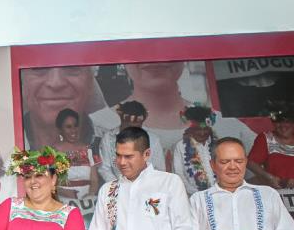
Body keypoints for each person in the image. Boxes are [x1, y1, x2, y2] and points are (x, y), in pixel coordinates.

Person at [91, 63, 256, 161]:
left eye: (163, 49)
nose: (154, 60)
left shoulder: (229, 127)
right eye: (141, 49)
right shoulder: (98, 125)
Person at [21, 66, 106, 152]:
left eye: (71, 67)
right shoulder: (10, 140)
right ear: (23, 81)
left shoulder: (108, 141)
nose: (56, 83)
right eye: (38, 68)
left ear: (90, 80)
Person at [95, 101, 166, 182]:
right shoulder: (108, 138)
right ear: (122, 118)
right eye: (128, 125)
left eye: (137, 126)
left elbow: (160, 170)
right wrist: (119, 187)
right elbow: (104, 168)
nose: (132, 128)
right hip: (118, 188)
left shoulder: (153, 140)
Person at [248, 102, 294, 189]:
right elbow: (250, 162)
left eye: (287, 121)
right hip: (274, 193)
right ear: (273, 122)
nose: (283, 126)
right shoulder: (266, 138)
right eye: (278, 121)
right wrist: (269, 177)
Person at [53, 109, 101, 199]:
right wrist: (64, 192)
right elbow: (48, 182)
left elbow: (95, 180)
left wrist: (90, 195)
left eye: (75, 126)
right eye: (68, 127)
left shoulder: (89, 149)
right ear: (60, 130)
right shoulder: (52, 152)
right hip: (62, 200)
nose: (73, 130)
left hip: (87, 203)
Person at [172, 105, 218, 195]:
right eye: (198, 129)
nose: (202, 133)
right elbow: (178, 175)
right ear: (191, 129)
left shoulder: (217, 145)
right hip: (193, 197)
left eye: (205, 129)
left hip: (219, 195)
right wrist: (197, 194)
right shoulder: (181, 146)